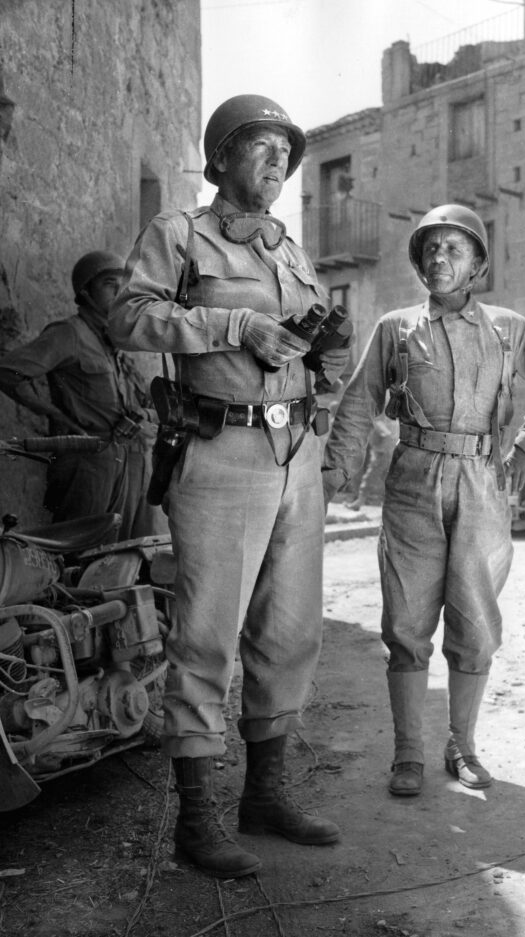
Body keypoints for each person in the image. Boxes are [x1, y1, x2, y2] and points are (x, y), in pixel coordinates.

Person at [108, 94, 350, 879]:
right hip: (219, 452)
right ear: (219, 160)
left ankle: (265, 794)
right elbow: (129, 318)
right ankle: (198, 817)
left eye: (286, 149)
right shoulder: (179, 234)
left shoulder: (291, 251)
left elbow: (311, 346)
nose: (277, 161)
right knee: (206, 634)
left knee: (289, 632)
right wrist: (234, 327)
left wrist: (326, 359)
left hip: (294, 453)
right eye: (260, 146)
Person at [322, 204, 525, 796]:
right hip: (412, 482)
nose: (439, 259)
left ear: (478, 266)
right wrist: (331, 479)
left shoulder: (509, 330)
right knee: (406, 623)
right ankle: (407, 753)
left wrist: (524, 452)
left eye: (453, 250)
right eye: (429, 250)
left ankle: (461, 745)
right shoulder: (394, 328)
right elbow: (358, 408)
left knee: (476, 621)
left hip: (483, 485)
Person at [0, 251, 157, 540]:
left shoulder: (115, 342)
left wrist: (144, 415)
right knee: (78, 552)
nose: (120, 292)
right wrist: (54, 414)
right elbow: (10, 372)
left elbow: (149, 402)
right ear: (85, 291)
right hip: (86, 462)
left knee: (122, 555)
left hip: (124, 460)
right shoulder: (69, 333)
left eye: (124, 285)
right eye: (110, 284)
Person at [345, 412, 399, 510]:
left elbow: (386, 433)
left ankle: (360, 501)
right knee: (384, 477)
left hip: (384, 451)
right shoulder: (385, 419)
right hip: (384, 449)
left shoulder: (381, 419)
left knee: (372, 475)